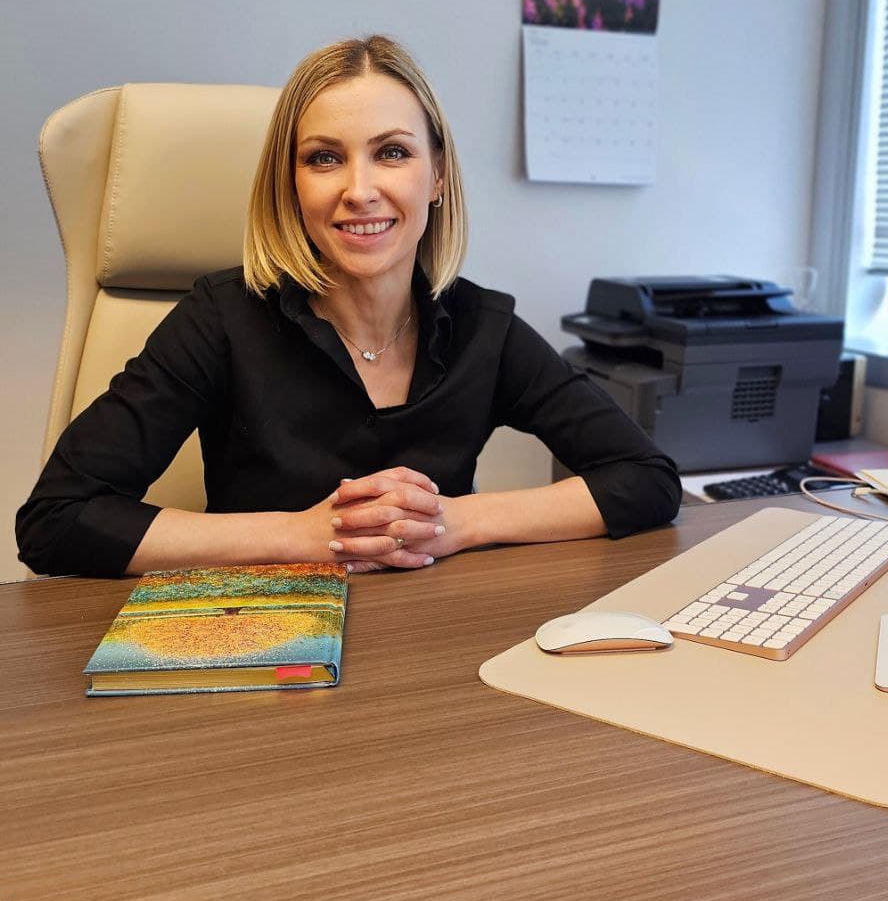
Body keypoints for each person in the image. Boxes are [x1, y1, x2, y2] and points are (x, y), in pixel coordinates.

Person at [16, 36, 681, 579]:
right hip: (263, 650)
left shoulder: (484, 329)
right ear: (291, 184)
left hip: (432, 658)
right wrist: (304, 534)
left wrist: (457, 521)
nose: (359, 190)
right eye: (324, 158)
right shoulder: (220, 319)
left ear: (438, 175)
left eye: (392, 152)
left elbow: (646, 479)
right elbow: (56, 520)